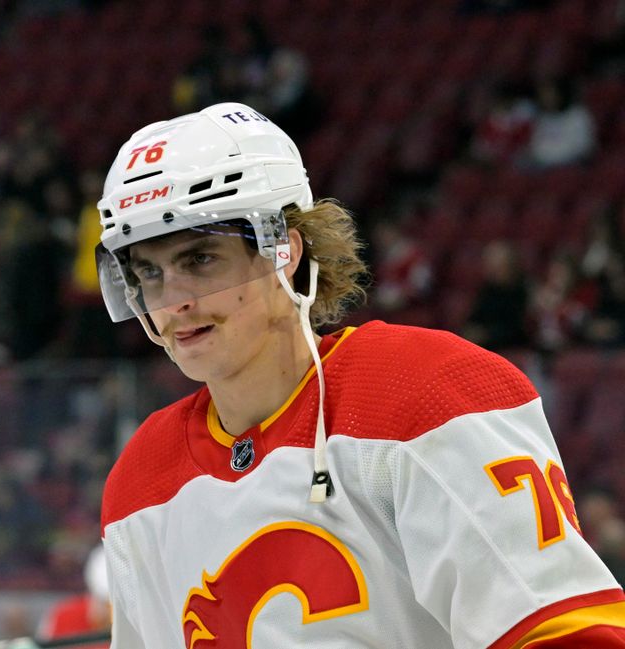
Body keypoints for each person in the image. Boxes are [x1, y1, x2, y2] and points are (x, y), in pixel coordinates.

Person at [95, 102, 625, 647]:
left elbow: (566, 636)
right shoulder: (140, 479)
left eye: (201, 259)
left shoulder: (427, 391)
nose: (174, 302)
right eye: (149, 273)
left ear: (286, 251)